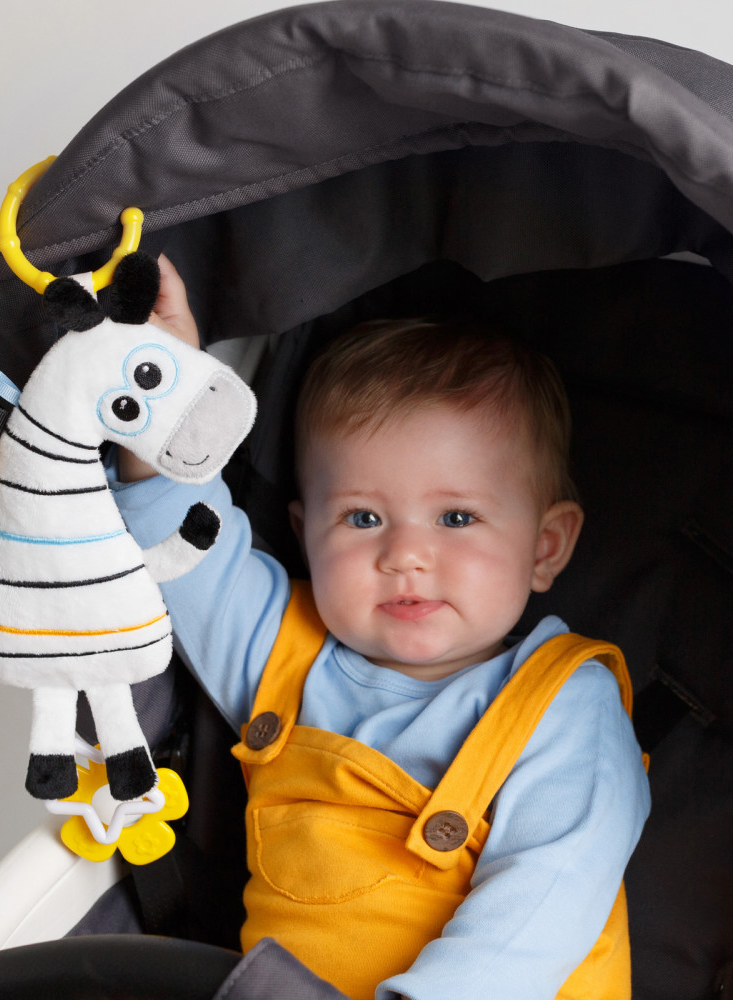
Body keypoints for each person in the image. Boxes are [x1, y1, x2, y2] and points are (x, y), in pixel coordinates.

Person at [112, 257, 650, 1000]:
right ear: (305, 535)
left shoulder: (563, 703)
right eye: (362, 517)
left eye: (456, 517)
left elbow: (550, 894)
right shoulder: (277, 651)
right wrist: (163, 390)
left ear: (545, 548)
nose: (405, 555)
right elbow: (179, 542)